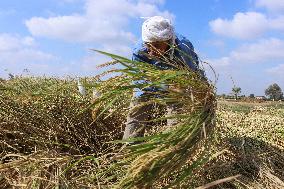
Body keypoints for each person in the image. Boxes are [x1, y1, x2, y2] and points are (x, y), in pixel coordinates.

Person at [123, 16, 205, 140]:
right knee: (136, 113)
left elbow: (192, 72)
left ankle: (171, 146)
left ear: (168, 41)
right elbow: (140, 79)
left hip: (175, 81)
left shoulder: (184, 48)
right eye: (148, 46)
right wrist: (164, 86)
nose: (151, 52)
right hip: (149, 81)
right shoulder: (139, 50)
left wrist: (196, 88)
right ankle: (128, 149)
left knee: (176, 115)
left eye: (156, 45)